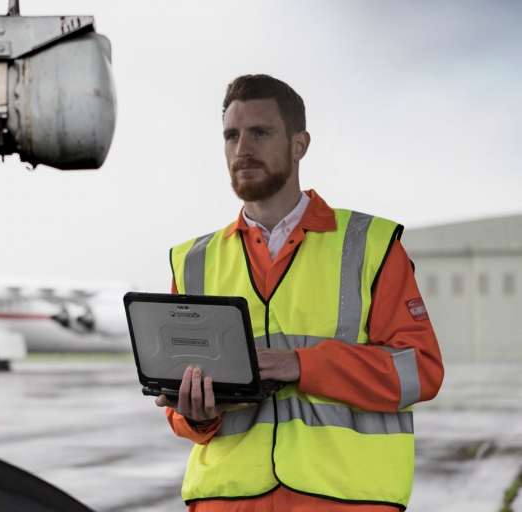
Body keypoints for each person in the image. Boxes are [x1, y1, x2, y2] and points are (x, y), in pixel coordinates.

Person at [157, 74, 444, 511]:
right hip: (226, 503)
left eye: (260, 132)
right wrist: (196, 415)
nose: (242, 149)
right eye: (231, 135)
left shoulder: (369, 245)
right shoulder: (193, 261)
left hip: (342, 500)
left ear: (299, 144)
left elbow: (420, 372)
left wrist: (300, 364)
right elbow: (183, 413)